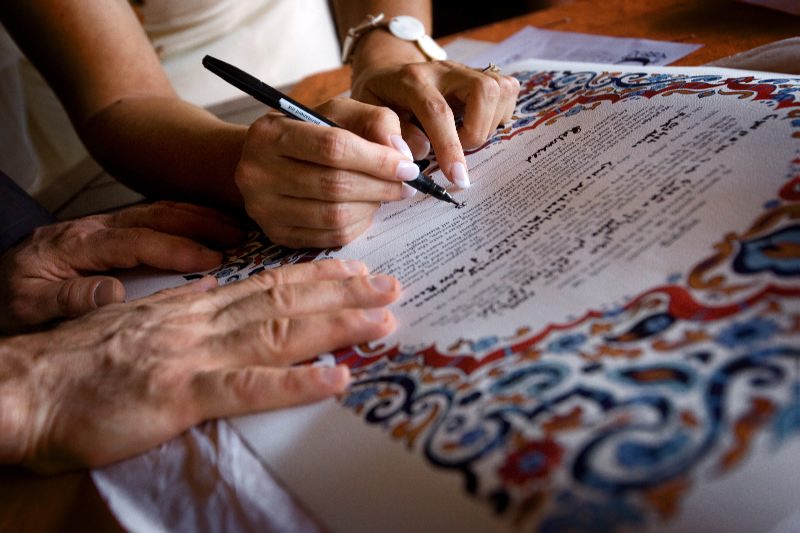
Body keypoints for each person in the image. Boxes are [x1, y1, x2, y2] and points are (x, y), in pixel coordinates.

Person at [0, 1, 520, 248]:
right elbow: (117, 99)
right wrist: (245, 163)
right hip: (153, 143)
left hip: (324, 81)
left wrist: (388, 52)